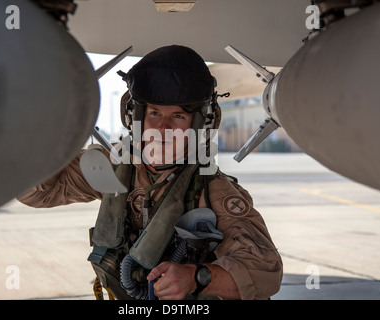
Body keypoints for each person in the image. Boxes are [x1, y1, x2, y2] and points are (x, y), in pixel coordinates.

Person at [17, 45, 283, 300]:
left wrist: (197, 277)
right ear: (135, 116)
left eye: (178, 116)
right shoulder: (113, 167)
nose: (163, 127)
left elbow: (266, 272)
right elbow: (36, 194)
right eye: (154, 112)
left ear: (201, 123)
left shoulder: (213, 192)